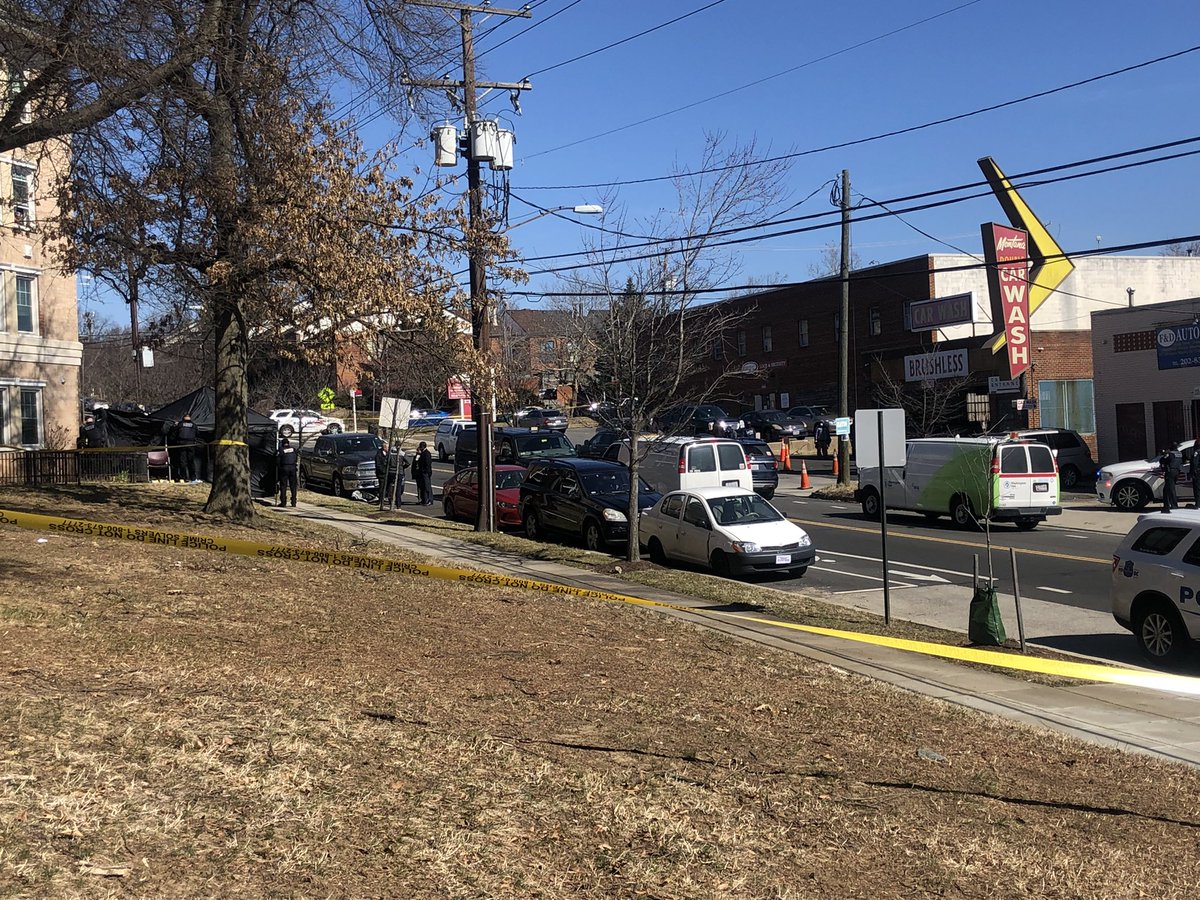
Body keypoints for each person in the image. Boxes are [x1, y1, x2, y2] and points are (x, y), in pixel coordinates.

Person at [176, 413, 199, 483]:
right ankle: (193, 477)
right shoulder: (194, 425)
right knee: (191, 461)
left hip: (181, 444)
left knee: (183, 461)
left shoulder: (180, 424)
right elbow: (197, 434)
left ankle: (184, 477)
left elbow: (175, 433)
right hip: (191, 444)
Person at [277, 437, 298, 507]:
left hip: (284, 468)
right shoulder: (293, 449)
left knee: (283, 486)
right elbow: (296, 458)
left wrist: (280, 468)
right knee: (293, 486)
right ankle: (294, 502)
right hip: (293, 468)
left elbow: (278, 461)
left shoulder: (281, 450)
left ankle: (283, 502)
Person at [1160, 446, 1181, 513]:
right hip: (1177, 472)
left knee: (1171, 489)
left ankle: (1174, 506)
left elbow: (1163, 460)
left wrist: (1164, 455)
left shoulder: (1170, 454)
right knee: (1166, 489)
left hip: (1170, 472)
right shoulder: (1179, 453)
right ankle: (1166, 505)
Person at [414, 441, 434, 505]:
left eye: (421, 447)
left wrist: (425, 471)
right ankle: (424, 500)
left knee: (427, 487)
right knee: (422, 487)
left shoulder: (427, 453)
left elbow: (428, 464)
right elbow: (416, 461)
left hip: (425, 473)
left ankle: (429, 500)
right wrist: (418, 454)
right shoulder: (421, 454)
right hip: (421, 473)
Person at [1191, 445, 1200, 510]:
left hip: (1198, 472)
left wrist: (1194, 471)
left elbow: (1195, 463)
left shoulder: (1197, 452)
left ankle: (1198, 504)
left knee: (1197, 488)